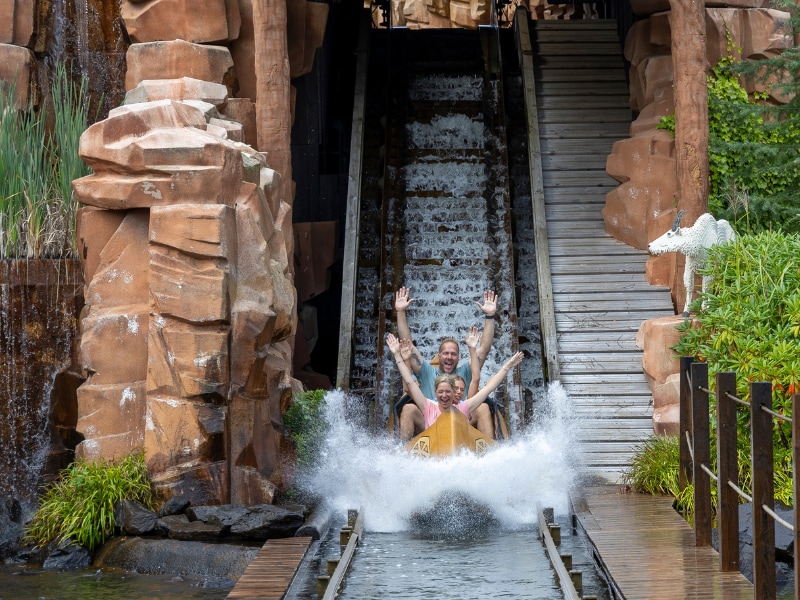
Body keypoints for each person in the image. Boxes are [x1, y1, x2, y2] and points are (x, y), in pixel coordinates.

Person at [394, 287, 498, 439]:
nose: (449, 357)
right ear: (439, 356)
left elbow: (484, 349)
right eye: (445, 353)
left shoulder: (466, 371)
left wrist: (490, 315)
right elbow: (407, 345)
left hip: (462, 424)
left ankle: (491, 450)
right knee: (408, 408)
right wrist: (400, 311)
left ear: (458, 358)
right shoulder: (426, 371)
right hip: (430, 425)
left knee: (483, 408)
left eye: (453, 354)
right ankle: (402, 449)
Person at [386, 333, 523, 432]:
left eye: (448, 392)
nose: (444, 395)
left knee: (484, 406)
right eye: (441, 392)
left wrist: (507, 366)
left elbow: (487, 386)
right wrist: (398, 355)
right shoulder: (428, 407)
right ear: (435, 393)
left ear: (454, 393)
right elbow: (409, 383)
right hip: (435, 447)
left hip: (458, 443)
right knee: (408, 407)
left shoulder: (463, 408)